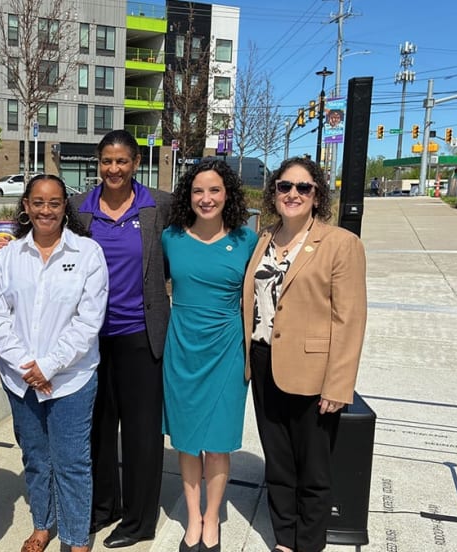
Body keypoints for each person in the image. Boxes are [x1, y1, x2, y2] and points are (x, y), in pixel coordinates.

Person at [243, 157, 367, 552]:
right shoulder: (263, 238)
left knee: (313, 468)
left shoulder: (340, 244)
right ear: (274, 191)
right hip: (264, 363)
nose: (292, 194)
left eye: (303, 188)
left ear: (317, 195)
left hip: (314, 371)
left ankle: (309, 544)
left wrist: (339, 384)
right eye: (284, 186)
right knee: (278, 462)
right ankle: (285, 539)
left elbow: (350, 319)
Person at [0, 174, 108, 552]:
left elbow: (89, 321)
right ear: (25, 206)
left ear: (64, 207)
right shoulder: (8, 256)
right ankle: (43, 524)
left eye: (54, 203)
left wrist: (50, 366)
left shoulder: (87, 254)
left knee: (72, 463)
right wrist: (28, 366)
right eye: (37, 202)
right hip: (21, 379)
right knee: (36, 459)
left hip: (71, 379)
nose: (46, 210)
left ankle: (75, 539)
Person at [74, 129, 173, 549]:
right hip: (93, 338)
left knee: (141, 433)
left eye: (122, 161)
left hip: (140, 335)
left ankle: (139, 520)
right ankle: (104, 507)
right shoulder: (81, 210)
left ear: (135, 163)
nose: (113, 169)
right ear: (99, 163)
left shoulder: (160, 207)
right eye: (106, 161)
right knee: (97, 427)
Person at [161, 159, 257, 552]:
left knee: (217, 443)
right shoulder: (170, 238)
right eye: (198, 191)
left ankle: (213, 517)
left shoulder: (247, 239)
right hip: (182, 349)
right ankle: (193, 517)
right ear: (188, 195)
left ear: (228, 194)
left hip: (227, 351)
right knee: (185, 442)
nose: (206, 198)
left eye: (214, 190)